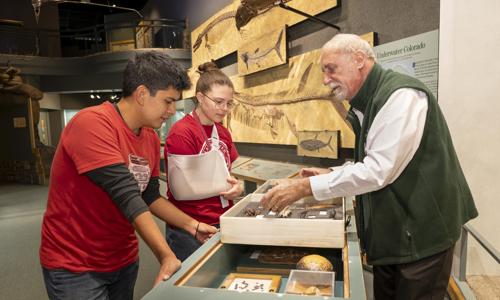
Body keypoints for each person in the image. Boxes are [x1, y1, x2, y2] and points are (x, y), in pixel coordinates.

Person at [260, 34, 478, 300]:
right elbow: (375, 159)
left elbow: (378, 170)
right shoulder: (368, 102)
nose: (326, 79)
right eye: (323, 71)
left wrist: (305, 187)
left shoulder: (400, 95)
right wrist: (331, 173)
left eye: (331, 69)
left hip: (422, 237)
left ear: (359, 60)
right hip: (394, 236)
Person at [39, 51, 219, 300]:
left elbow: (150, 196)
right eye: (168, 101)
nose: (172, 109)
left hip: (122, 259)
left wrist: (192, 225)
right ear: (142, 94)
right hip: (76, 265)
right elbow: (126, 194)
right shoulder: (91, 123)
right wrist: (165, 255)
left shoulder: (150, 137)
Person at [164, 61, 243, 262]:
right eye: (218, 102)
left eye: (229, 103)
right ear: (200, 97)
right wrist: (221, 185)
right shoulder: (182, 133)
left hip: (222, 220)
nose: (224, 108)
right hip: (191, 227)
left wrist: (236, 188)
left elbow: (225, 175)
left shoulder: (223, 133)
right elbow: (181, 191)